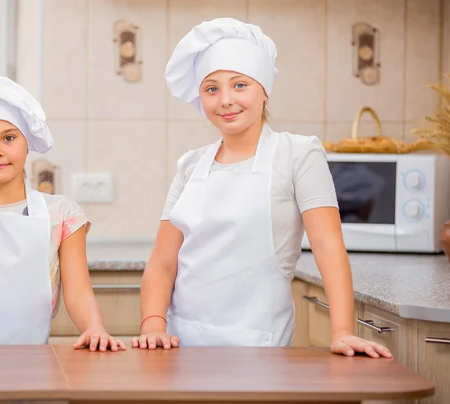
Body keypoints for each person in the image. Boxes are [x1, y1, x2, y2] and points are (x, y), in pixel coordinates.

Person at [131, 18, 392, 359]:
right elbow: (163, 262)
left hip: (260, 346)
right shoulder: (190, 165)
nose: (225, 100)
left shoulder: (298, 154)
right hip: (182, 346)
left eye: (240, 85)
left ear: (265, 89)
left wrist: (342, 331)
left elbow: (328, 247)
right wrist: (153, 325)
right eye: (212, 89)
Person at [0, 76, 125, 352]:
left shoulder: (61, 215)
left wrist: (94, 328)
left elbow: (78, 293)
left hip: (32, 363)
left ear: (26, 145)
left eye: (9, 138)